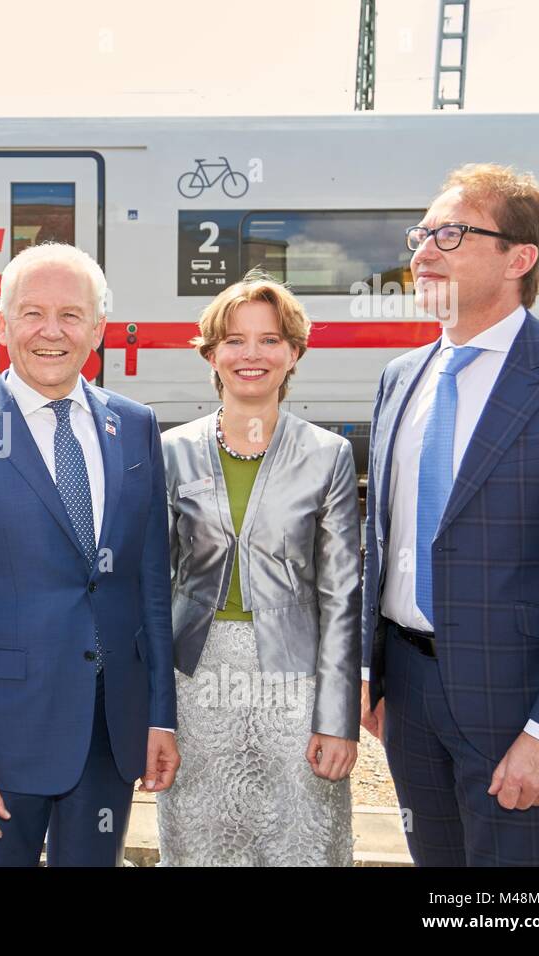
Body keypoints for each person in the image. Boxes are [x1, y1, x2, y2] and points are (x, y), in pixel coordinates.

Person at [361, 163, 539, 866]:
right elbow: (381, 541)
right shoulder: (400, 378)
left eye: (450, 233)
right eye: (421, 233)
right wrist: (370, 676)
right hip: (407, 695)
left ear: (518, 258)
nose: (422, 250)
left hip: (519, 697)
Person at [0, 242, 178, 867]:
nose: (51, 332)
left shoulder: (135, 426)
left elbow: (149, 588)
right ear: (1, 325)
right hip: (0, 741)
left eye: (71, 314)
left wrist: (159, 715)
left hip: (109, 734)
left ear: (99, 327)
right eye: (31, 313)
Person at [157, 273, 360, 866]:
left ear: (294, 353)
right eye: (234, 341)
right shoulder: (170, 451)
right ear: (211, 353)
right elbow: (150, 585)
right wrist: (156, 714)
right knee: (202, 843)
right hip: (195, 678)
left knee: (302, 844)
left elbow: (343, 594)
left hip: (298, 684)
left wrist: (337, 717)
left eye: (270, 340)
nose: (252, 355)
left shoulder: (328, 455)